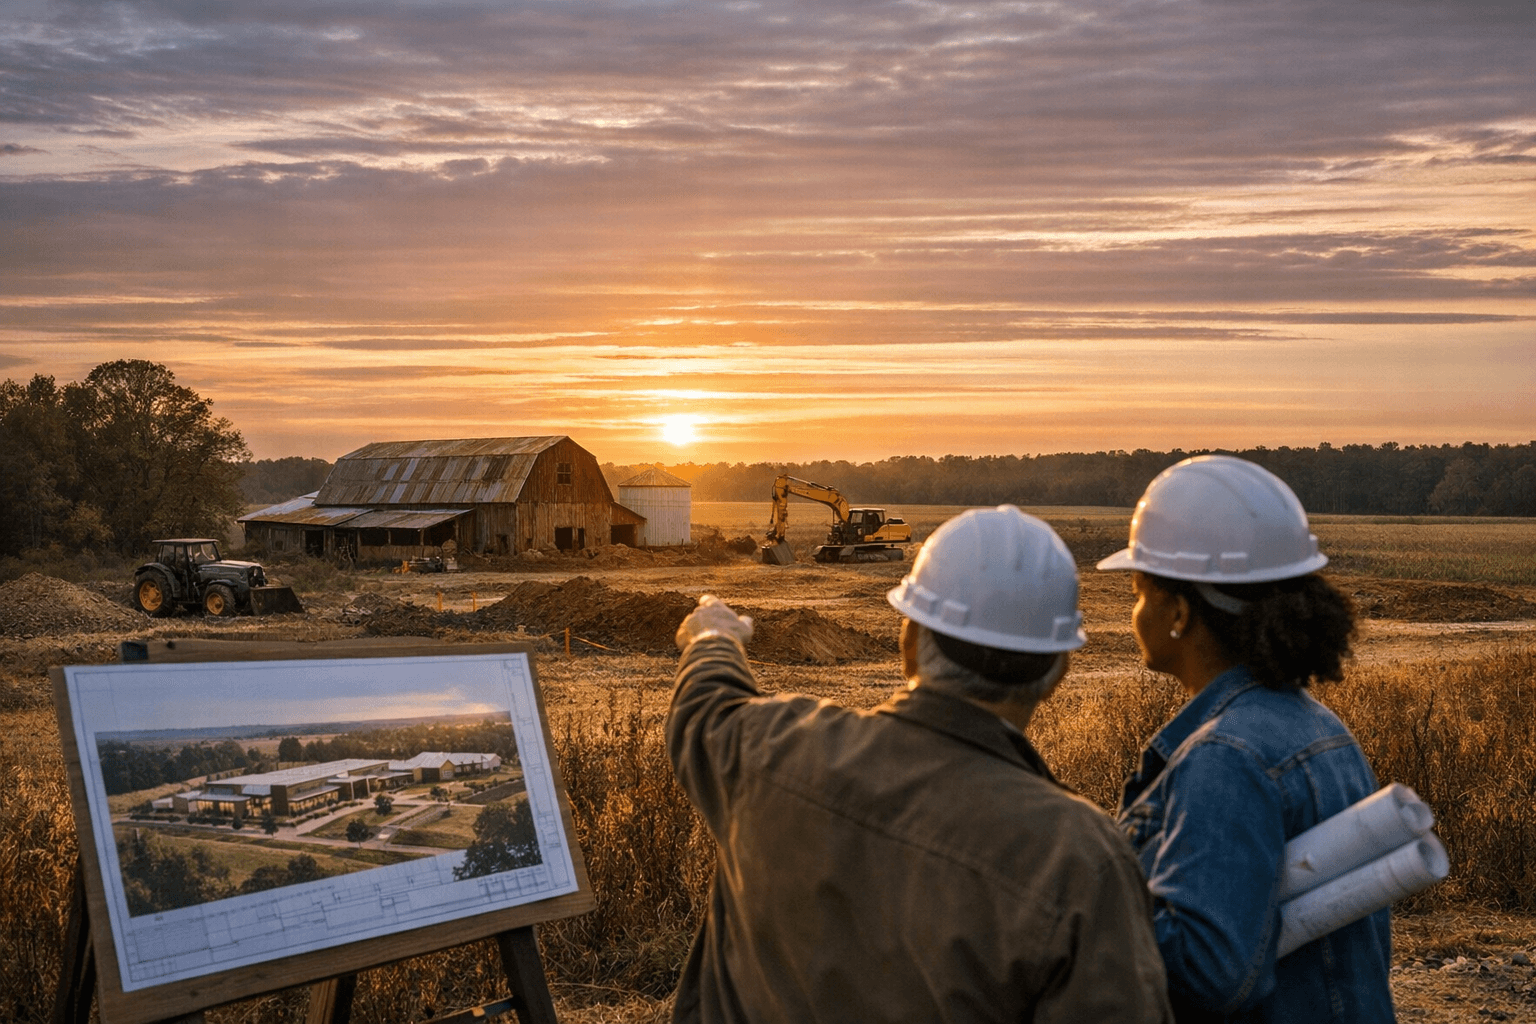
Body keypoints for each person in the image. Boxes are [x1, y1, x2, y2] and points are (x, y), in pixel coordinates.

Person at [667, 506, 1174, 1024]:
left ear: (908, 643)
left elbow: (705, 709)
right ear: (1058, 670)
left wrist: (713, 639)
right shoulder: (1079, 861)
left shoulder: (771, 748)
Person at [1097, 455, 1394, 1023]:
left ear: (1180, 609)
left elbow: (1208, 974)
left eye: (1138, 590)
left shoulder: (1225, 758)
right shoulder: (1319, 728)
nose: (1134, 610)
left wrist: (1092, 896)